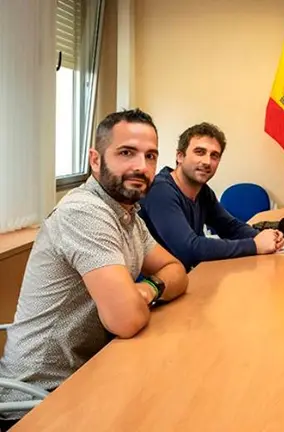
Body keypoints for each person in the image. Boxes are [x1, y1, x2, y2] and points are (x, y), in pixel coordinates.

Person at [0, 109, 189, 428]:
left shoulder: (127, 214)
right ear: (95, 159)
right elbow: (127, 320)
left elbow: (176, 269)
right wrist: (142, 296)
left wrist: (148, 288)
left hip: (92, 372)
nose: (141, 167)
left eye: (151, 156)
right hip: (38, 398)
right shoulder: (84, 212)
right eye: (126, 152)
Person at [139, 122, 284, 273]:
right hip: (156, 287)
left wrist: (266, 237)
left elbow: (230, 227)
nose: (207, 162)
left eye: (214, 155)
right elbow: (189, 249)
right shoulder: (160, 190)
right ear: (180, 156)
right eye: (200, 152)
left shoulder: (203, 192)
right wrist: (254, 245)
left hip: (188, 277)